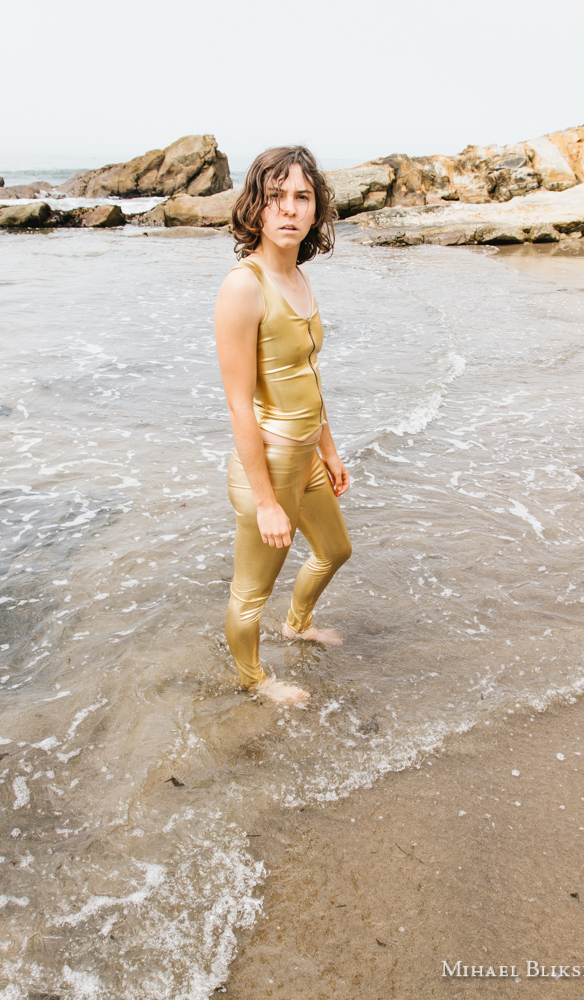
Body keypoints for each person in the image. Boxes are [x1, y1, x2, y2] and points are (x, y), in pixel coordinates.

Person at [214, 146, 352, 705]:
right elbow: (239, 405)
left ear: (317, 210)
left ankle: (296, 625)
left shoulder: (296, 275)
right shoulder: (243, 286)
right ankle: (253, 680)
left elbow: (308, 374)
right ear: (257, 207)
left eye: (302, 197)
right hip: (266, 468)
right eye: (276, 197)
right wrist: (268, 501)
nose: (289, 209)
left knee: (335, 551)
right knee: (250, 594)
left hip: (307, 457)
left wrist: (329, 448)